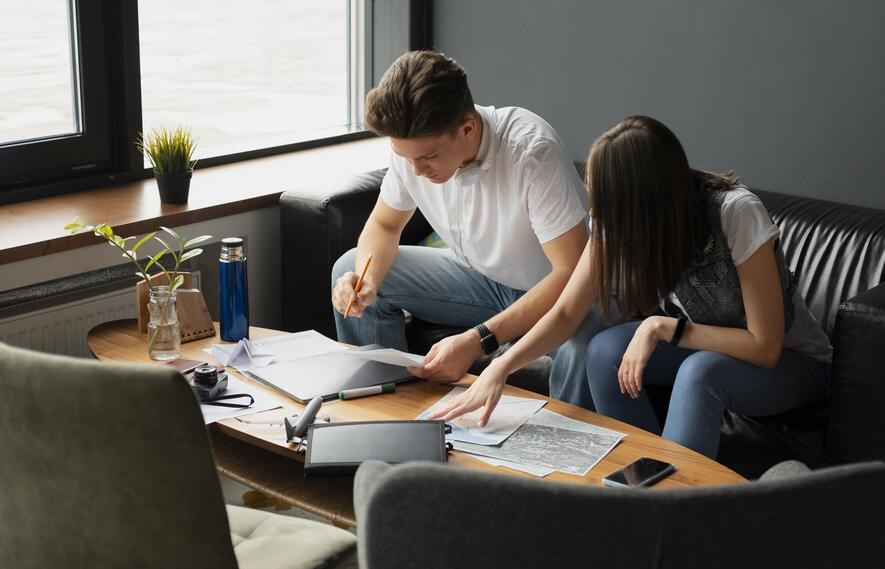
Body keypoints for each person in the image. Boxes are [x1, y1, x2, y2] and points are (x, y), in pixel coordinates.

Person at [432, 115, 832, 459]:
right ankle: (641, 475)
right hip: (710, 350)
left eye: (604, 201)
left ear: (642, 203)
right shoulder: (617, 221)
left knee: (701, 371)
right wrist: (500, 366)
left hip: (793, 365)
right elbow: (568, 312)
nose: (595, 214)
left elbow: (765, 347)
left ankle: (672, 507)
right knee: (605, 350)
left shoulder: (735, 214)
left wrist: (661, 327)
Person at [330, 50, 607, 409]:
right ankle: (388, 411)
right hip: (484, 281)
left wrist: (479, 340)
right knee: (349, 266)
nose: (416, 171)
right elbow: (384, 225)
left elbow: (570, 275)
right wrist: (366, 278)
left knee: (584, 346)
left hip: (559, 292)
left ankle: (564, 449)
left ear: (467, 128)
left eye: (428, 157)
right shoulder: (414, 153)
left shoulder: (530, 151)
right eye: (405, 157)